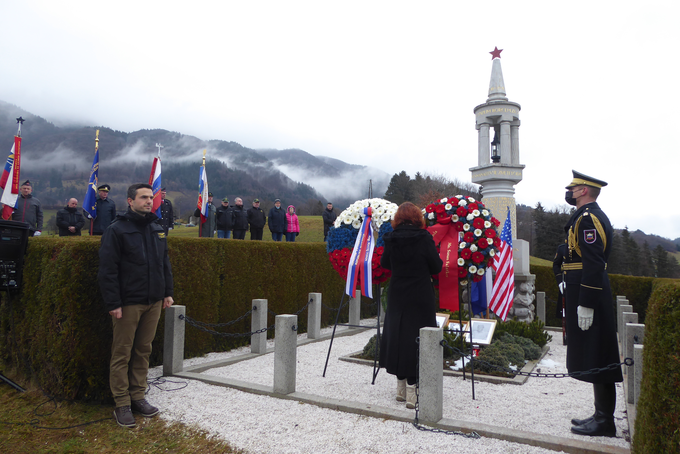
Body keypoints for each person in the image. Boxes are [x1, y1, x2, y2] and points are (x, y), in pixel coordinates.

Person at [98, 183, 174, 428]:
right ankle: (122, 403)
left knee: (143, 350)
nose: (149, 201)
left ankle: (138, 396)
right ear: (130, 201)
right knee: (122, 353)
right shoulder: (117, 229)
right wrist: (113, 303)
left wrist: (167, 293)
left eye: (151, 197)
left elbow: (165, 263)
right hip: (128, 303)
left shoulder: (156, 227)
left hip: (153, 301)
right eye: (143, 197)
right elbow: (108, 270)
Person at [562, 170, 622, 438]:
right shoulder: (584, 218)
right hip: (586, 291)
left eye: (573, 189)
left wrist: (586, 302)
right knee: (596, 354)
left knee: (600, 355)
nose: (570, 192)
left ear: (584, 190)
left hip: (591, 294)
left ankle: (605, 421)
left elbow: (594, 263)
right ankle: (601, 415)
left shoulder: (588, 219)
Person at [378, 202, 442, 409]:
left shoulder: (391, 237)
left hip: (397, 293)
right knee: (418, 337)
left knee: (397, 335)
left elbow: (385, 263)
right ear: (417, 218)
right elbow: (436, 266)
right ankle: (413, 393)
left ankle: (400, 387)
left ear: (398, 218)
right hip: (420, 294)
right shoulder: (424, 238)